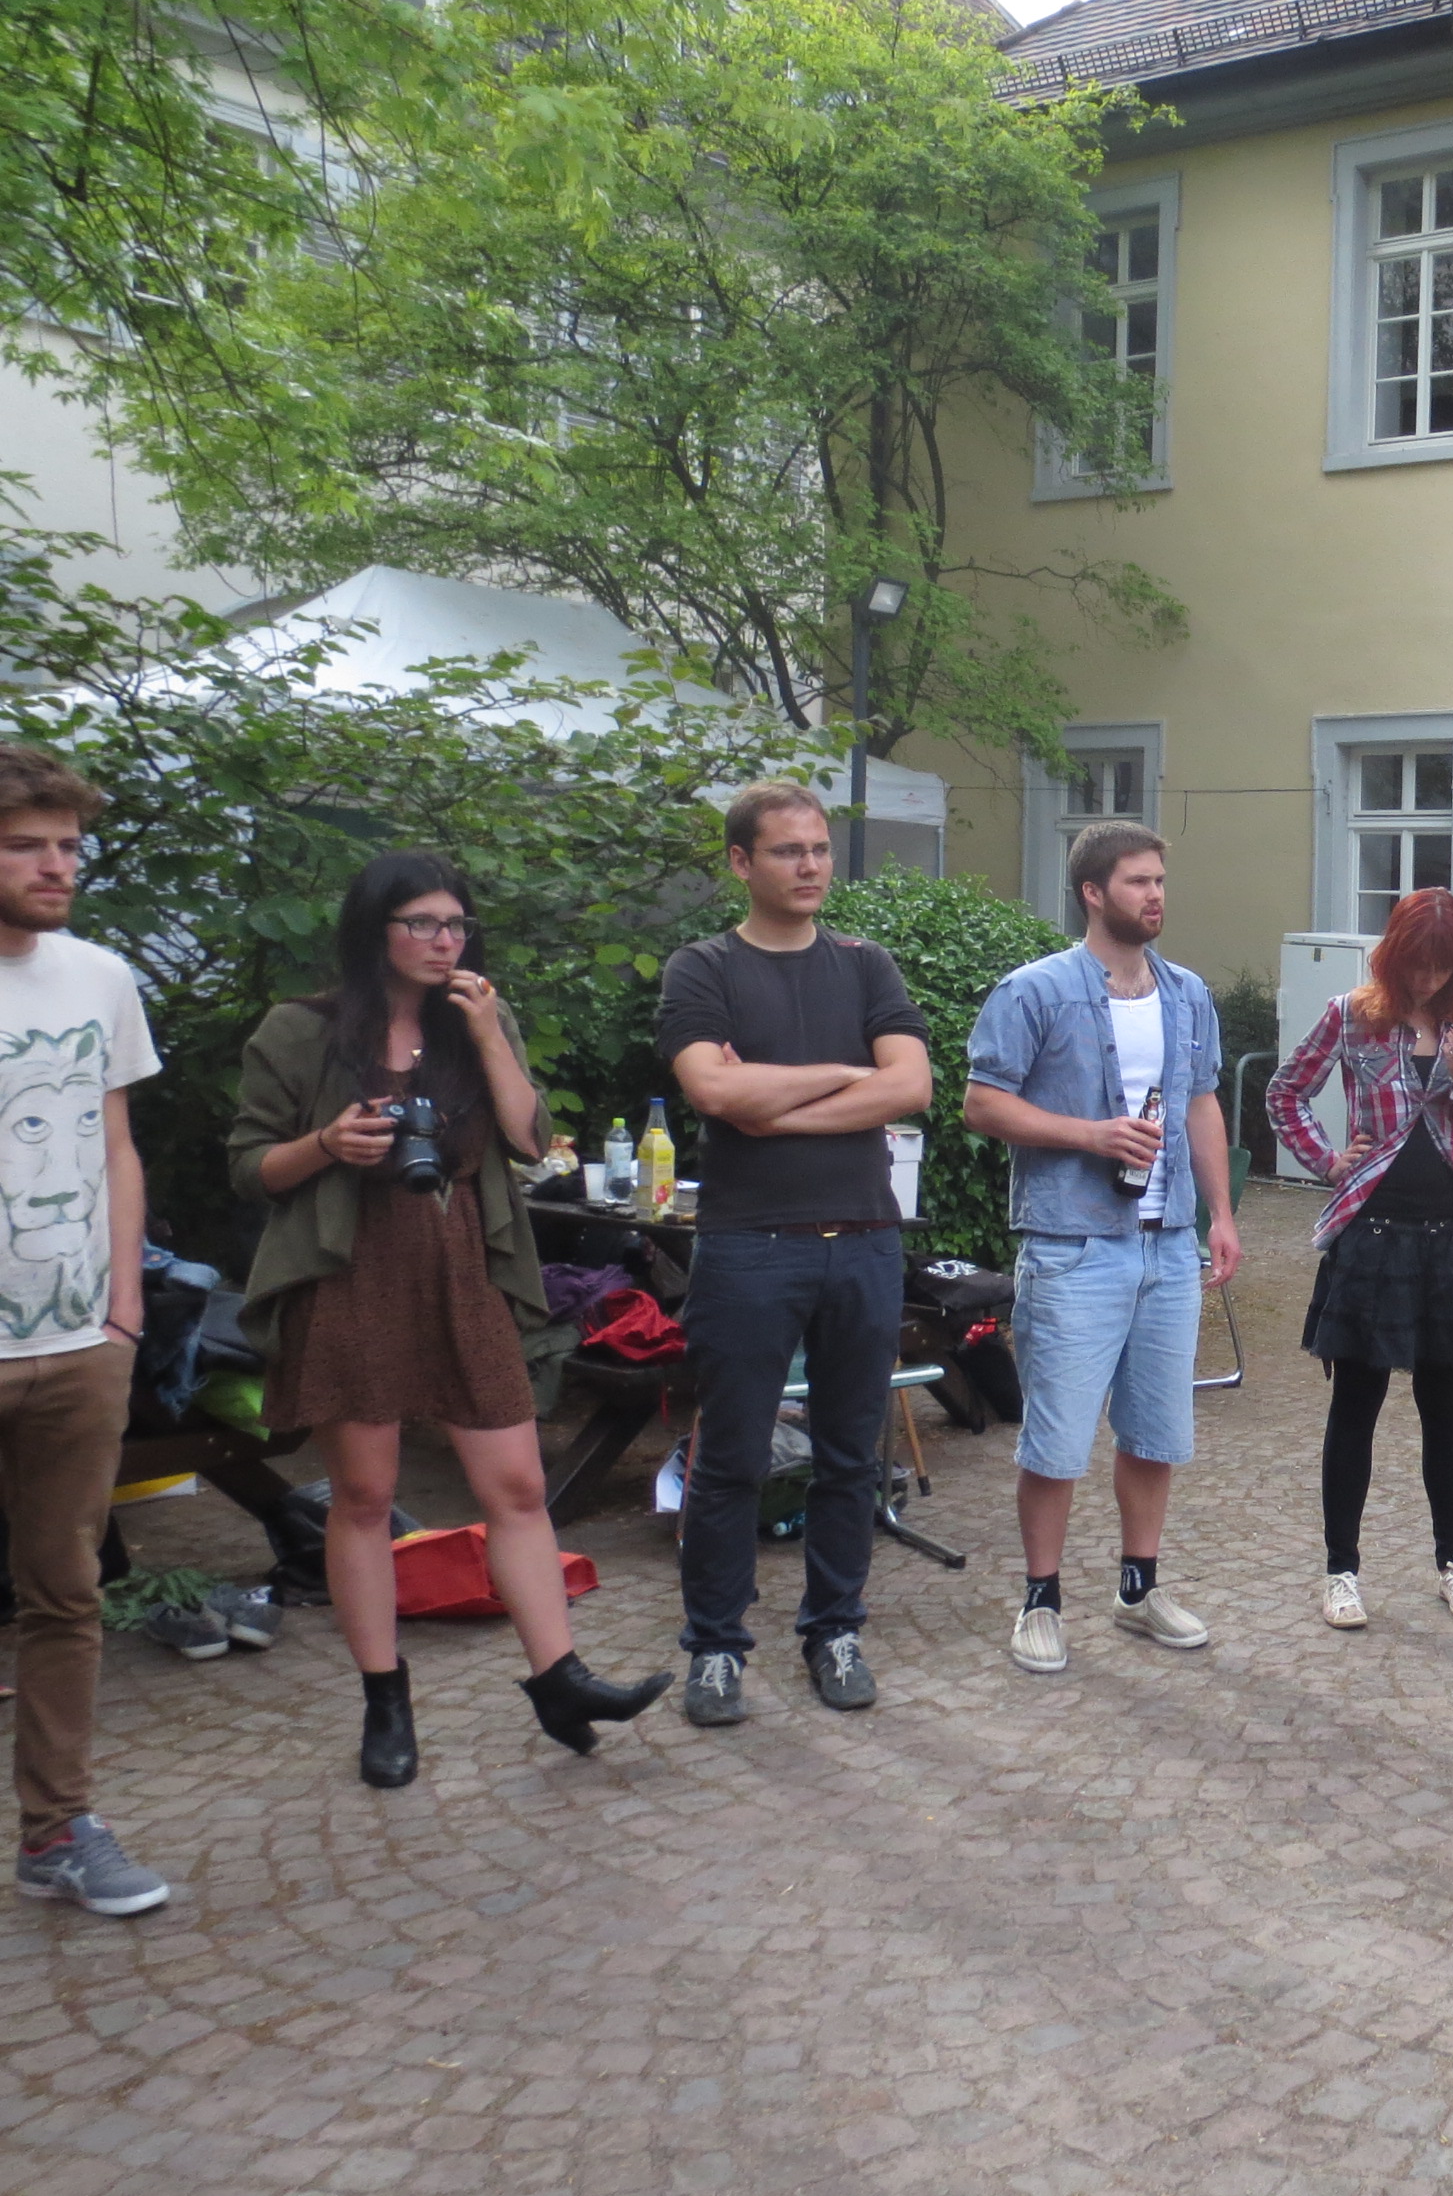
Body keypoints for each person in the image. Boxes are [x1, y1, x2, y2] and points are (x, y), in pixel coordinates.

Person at [232, 853, 672, 1786]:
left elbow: (528, 1141)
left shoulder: (478, 1019)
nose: (445, 941)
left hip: (461, 1270)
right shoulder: (300, 1031)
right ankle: (384, 1700)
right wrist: (327, 1143)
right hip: (348, 1276)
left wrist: (487, 1034)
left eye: (457, 925)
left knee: (516, 1485)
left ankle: (561, 1680)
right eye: (423, 924)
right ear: (374, 931)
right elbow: (250, 1168)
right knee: (363, 1497)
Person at [658, 782, 931, 1726]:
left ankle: (835, 1631)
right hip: (749, 1246)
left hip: (863, 1242)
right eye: (786, 851)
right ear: (741, 862)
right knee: (730, 1458)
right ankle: (715, 1648)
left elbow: (911, 1086)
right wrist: (850, 1073)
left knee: (852, 1457)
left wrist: (772, 1103)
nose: (810, 865)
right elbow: (713, 1093)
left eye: (818, 849)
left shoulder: (866, 966)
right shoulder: (703, 968)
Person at [963, 822, 1241, 1674]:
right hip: (1075, 1246)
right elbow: (981, 1103)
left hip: (1168, 1247)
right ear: (1092, 892)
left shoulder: (1187, 993)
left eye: (1159, 881)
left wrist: (1221, 1215)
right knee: (1056, 1441)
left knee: (1156, 1432)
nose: (1155, 895)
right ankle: (1040, 1601)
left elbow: (1200, 1102)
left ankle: (1138, 1589)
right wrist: (1090, 1134)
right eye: (1137, 882)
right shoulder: (1035, 991)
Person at [0, 749, 169, 1914]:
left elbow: (114, 1144)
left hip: (77, 1342)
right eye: (26, 845)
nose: (57, 865)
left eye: (67, 844)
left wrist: (123, 1310)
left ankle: (55, 1829)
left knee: (64, 1595)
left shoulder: (101, 977)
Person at [1267, 888, 1453, 1628]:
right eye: (1417, 963)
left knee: (1447, 1409)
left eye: (1443, 967)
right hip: (1372, 1234)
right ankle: (1341, 1572)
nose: (1427, 979)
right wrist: (1327, 1159)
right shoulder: (1351, 1014)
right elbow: (1285, 1094)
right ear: (1393, 954)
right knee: (1356, 1406)